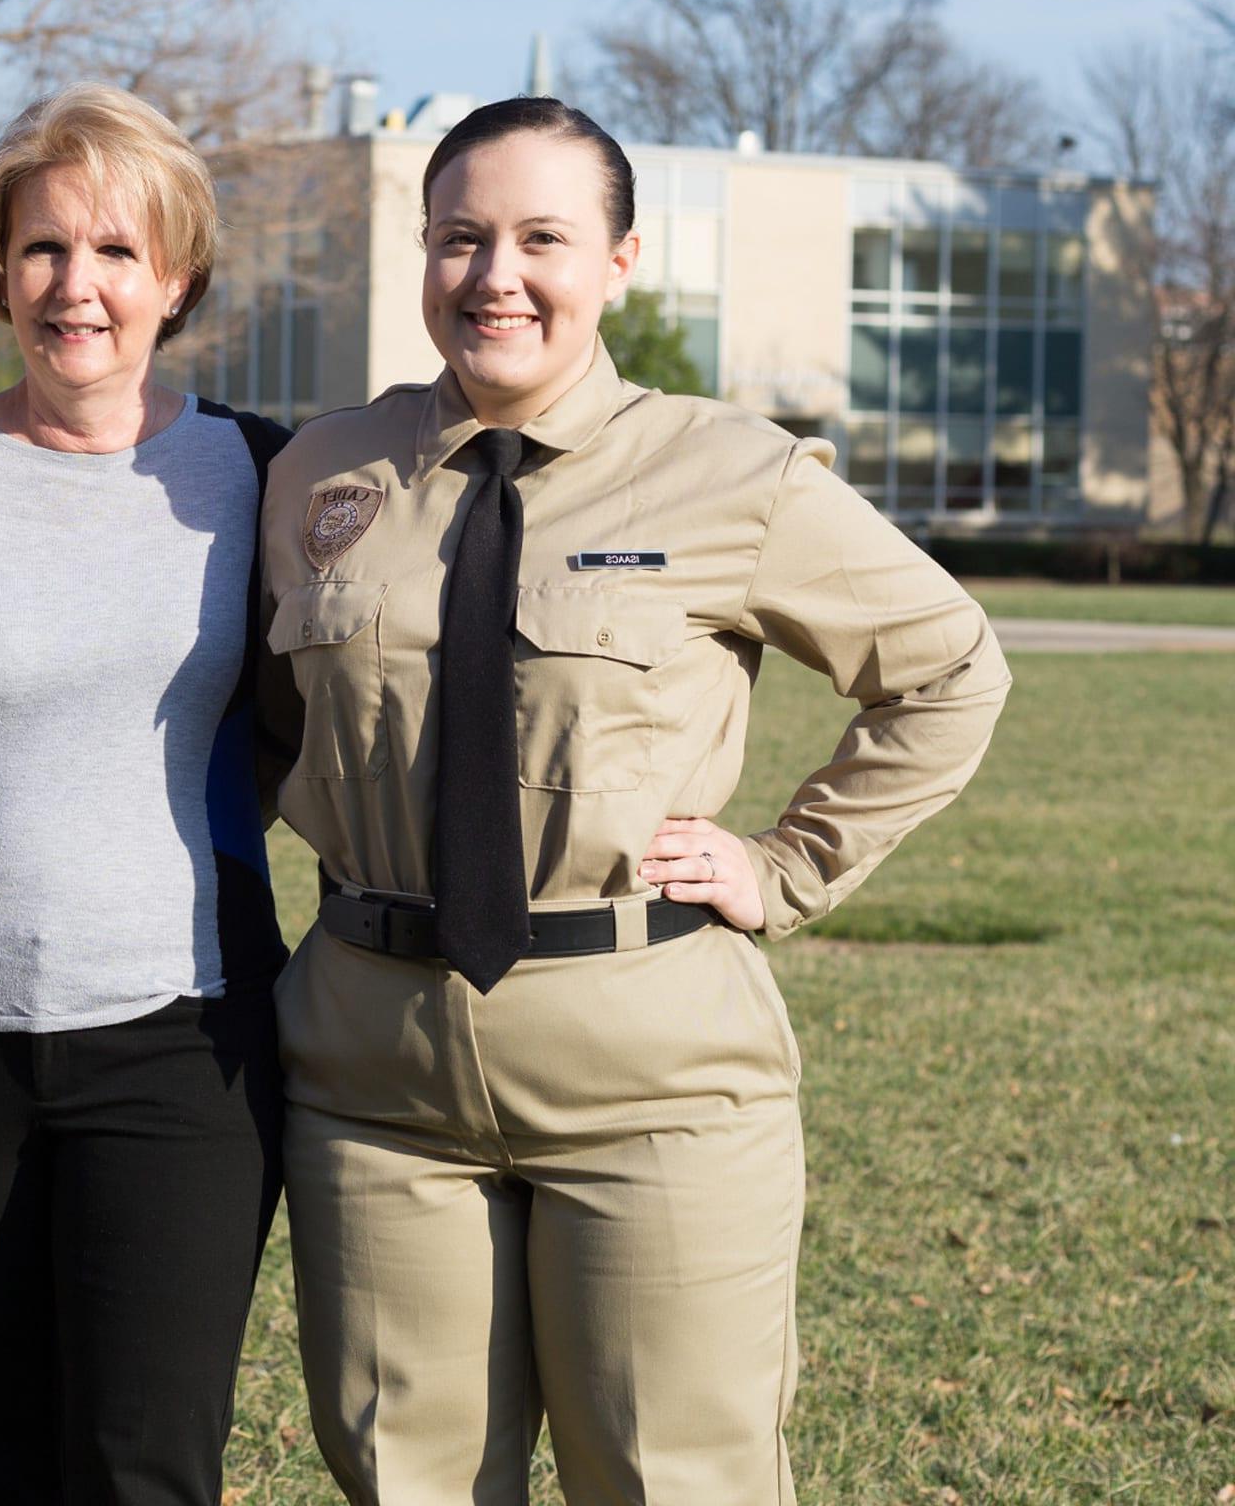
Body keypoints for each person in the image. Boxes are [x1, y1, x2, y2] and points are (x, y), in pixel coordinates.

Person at [261, 96, 1011, 1506]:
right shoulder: (318, 475)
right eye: (460, 237)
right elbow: (264, 724)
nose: (496, 274)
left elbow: (949, 669)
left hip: (651, 1082)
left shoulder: (733, 472)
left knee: (674, 1481)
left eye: (544, 237)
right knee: (400, 1482)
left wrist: (785, 867)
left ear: (620, 260)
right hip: (374, 1083)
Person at [0, 83, 292, 1506]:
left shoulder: (260, 472)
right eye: (43, 250)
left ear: (176, 277)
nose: (76, 287)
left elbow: (312, 712)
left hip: (185, 1039)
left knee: (143, 1467)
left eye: (115, 253)